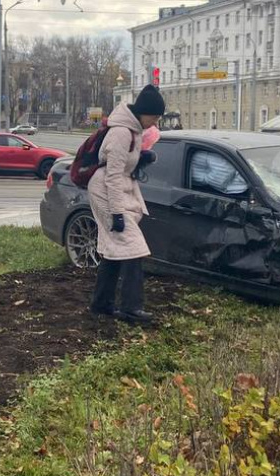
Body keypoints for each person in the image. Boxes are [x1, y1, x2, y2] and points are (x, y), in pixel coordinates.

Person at [88, 84, 166, 325]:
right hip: (105, 191)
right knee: (134, 248)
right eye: (153, 117)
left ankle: (102, 304)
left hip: (115, 188)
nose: (154, 123)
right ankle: (132, 308)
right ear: (143, 112)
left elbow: (122, 166)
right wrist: (117, 213)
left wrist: (140, 159)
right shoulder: (122, 132)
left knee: (116, 249)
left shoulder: (133, 130)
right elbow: (112, 175)